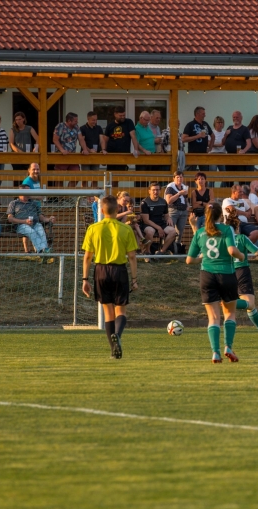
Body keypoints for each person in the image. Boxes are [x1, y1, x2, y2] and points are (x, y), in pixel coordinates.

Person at [186, 203, 246, 363]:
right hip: (226, 274)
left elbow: (189, 260)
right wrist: (241, 256)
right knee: (230, 314)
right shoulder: (227, 230)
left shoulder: (199, 233)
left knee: (213, 318)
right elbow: (232, 250)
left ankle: (215, 352)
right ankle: (228, 347)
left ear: (206, 216)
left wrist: (201, 258)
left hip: (207, 275)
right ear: (221, 215)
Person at [82, 195, 139, 359]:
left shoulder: (93, 228)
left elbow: (87, 257)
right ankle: (118, 337)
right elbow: (133, 256)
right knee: (120, 310)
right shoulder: (126, 229)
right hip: (119, 270)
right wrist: (134, 279)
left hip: (100, 270)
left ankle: (113, 350)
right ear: (118, 210)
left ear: (101, 210)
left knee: (108, 312)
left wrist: (85, 280)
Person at [224, 206, 258, 337]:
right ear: (237, 226)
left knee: (249, 306)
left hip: (226, 272)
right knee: (249, 304)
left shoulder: (223, 240)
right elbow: (256, 251)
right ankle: (223, 302)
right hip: (242, 272)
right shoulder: (241, 238)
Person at [7, 187, 55, 253]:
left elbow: (41, 217)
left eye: (29, 191)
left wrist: (49, 219)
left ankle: (43, 252)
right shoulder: (14, 203)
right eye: (27, 192)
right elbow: (10, 218)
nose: (29, 193)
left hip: (35, 223)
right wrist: (24, 221)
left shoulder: (34, 203)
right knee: (31, 232)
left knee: (41, 232)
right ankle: (43, 251)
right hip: (21, 225)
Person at [101, 106, 138, 184]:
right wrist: (104, 150)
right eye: (120, 116)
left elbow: (133, 136)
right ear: (115, 114)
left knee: (118, 177)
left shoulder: (129, 122)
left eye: (124, 115)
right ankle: (110, 195)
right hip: (111, 154)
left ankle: (116, 195)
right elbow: (105, 140)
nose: (122, 117)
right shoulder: (110, 125)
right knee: (110, 178)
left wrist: (136, 149)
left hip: (123, 155)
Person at [140, 182, 177, 255]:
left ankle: (161, 251)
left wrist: (168, 218)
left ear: (160, 191)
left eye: (157, 190)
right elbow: (146, 220)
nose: (155, 192)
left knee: (173, 231)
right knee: (150, 231)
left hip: (160, 223)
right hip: (148, 224)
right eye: (153, 190)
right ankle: (147, 252)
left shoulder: (163, 201)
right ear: (149, 191)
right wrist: (159, 228)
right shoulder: (144, 203)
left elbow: (166, 215)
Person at [164, 171, 190, 250]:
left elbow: (186, 198)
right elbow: (169, 201)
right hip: (173, 210)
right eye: (177, 177)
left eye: (181, 177)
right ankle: (167, 248)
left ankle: (176, 249)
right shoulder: (170, 187)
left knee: (180, 232)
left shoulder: (184, 187)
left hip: (183, 211)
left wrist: (188, 205)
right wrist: (179, 193)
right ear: (174, 178)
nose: (179, 179)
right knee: (170, 230)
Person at [182, 106, 213, 171]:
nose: (205, 115)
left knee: (205, 174)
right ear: (197, 114)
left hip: (204, 154)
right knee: (191, 174)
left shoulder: (205, 124)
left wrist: (210, 147)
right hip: (193, 154)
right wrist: (197, 136)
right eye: (203, 114)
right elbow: (183, 139)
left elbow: (213, 136)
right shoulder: (190, 125)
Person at [79, 111, 103, 189]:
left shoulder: (99, 128)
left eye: (96, 120)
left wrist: (103, 149)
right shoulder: (82, 128)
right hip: (85, 155)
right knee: (85, 178)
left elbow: (102, 140)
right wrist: (88, 150)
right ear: (88, 119)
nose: (95, 122)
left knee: (95, 178)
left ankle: (94, 197)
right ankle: (84, 197)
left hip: (96, 155)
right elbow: (82, 141)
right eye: (93, 120)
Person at [133, 111, 157, 177]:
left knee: (152, 178)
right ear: (141, 118)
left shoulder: (148, 127)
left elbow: (151, 139)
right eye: (146, 120)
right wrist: (144, 151)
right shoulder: (136, 129)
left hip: (152, 155)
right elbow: (136, 142)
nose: (147, 122)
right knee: (141, 178)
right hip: (142, 157)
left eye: (148, 120)